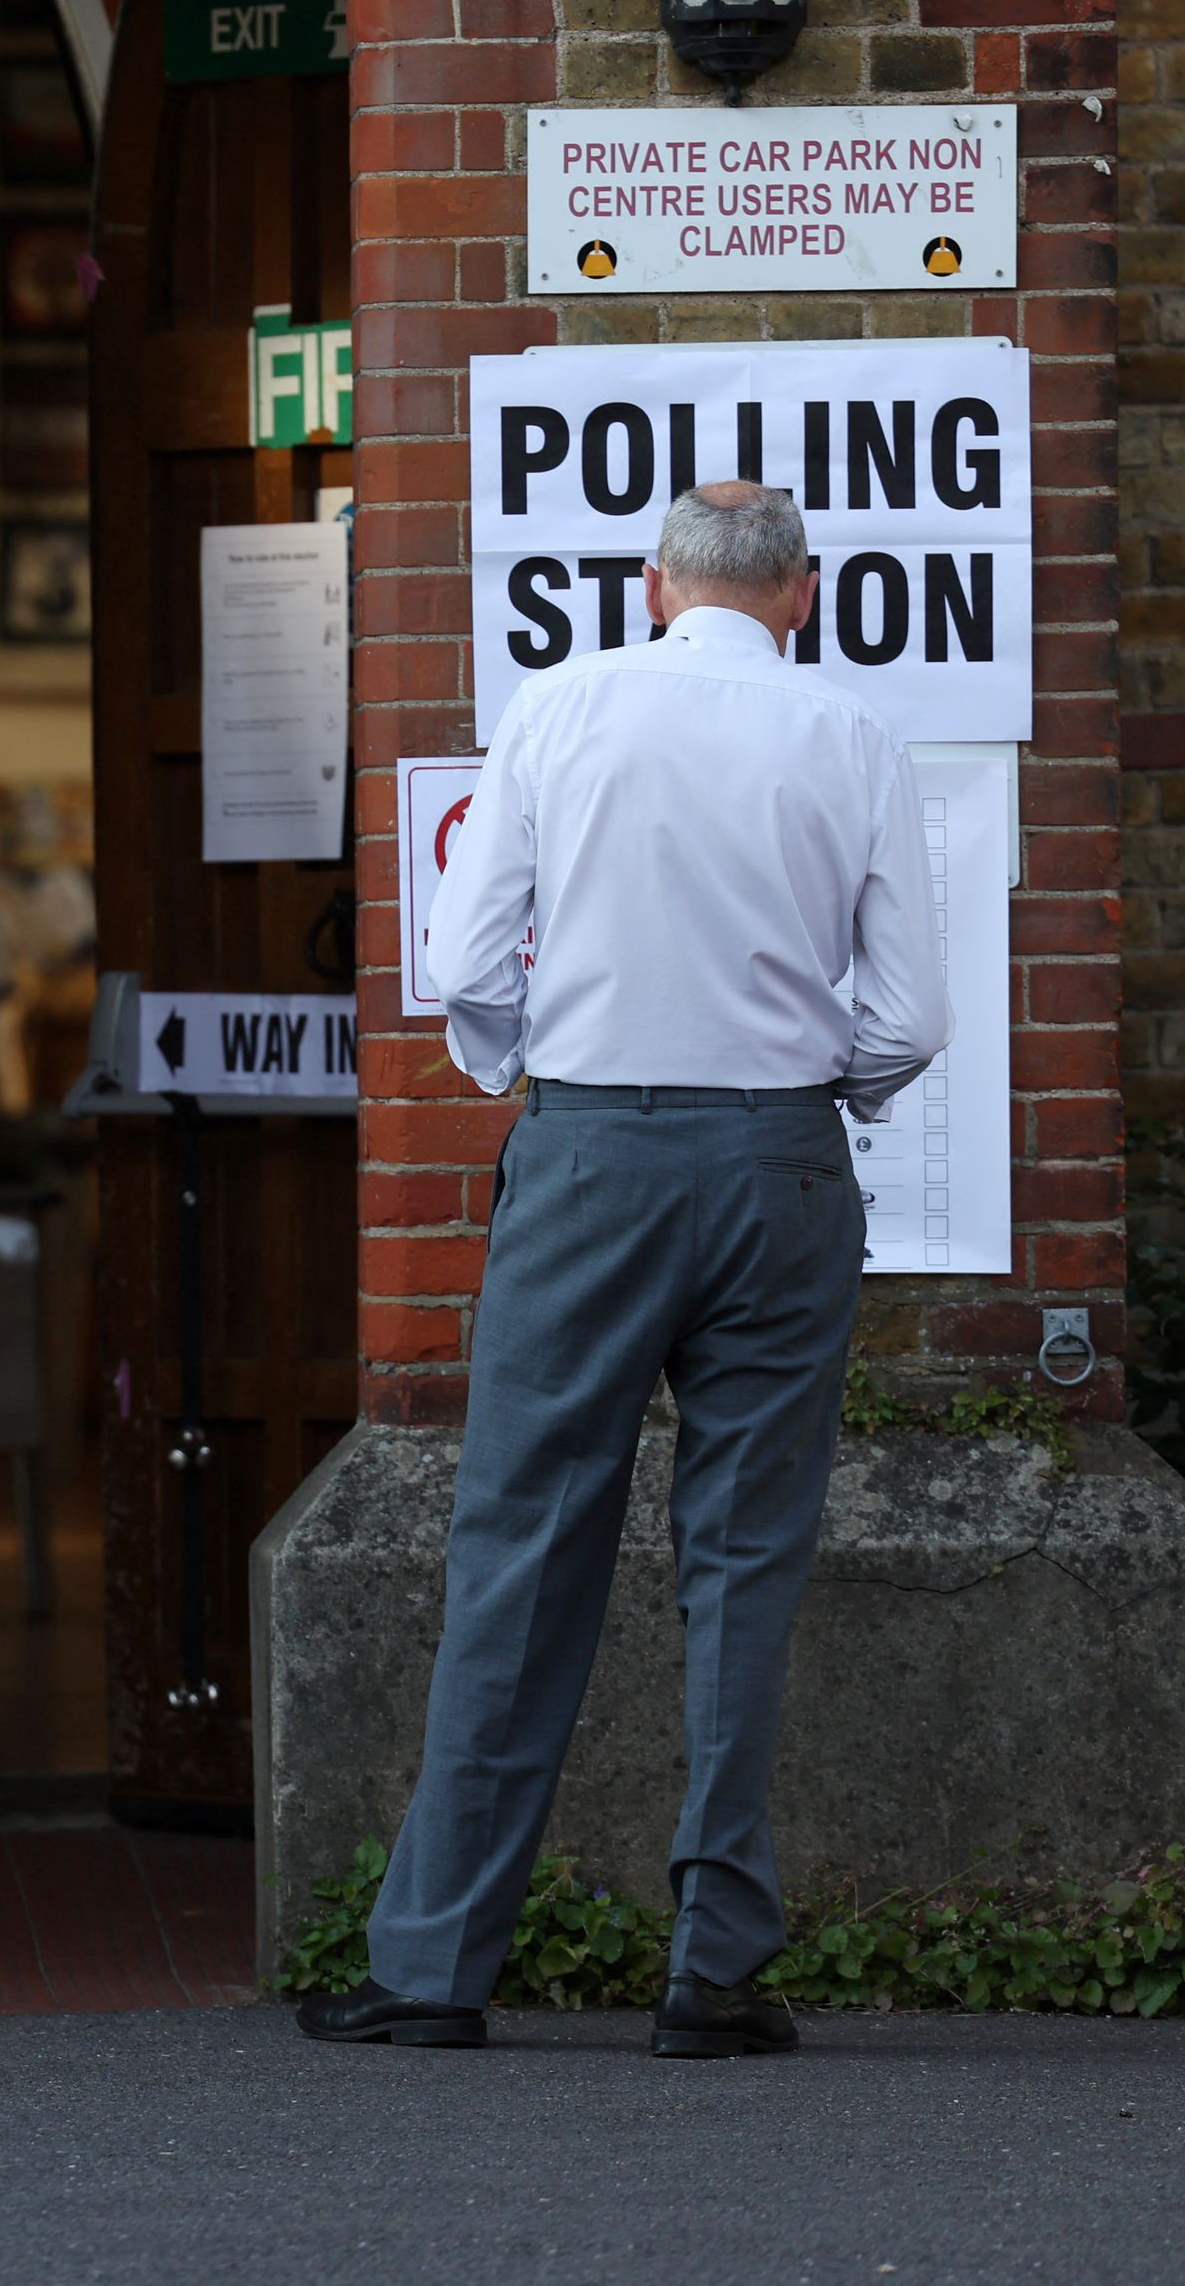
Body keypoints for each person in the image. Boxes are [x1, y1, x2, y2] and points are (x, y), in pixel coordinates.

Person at [299, 481, 949, 2060]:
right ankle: (712, 1965)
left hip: (593, 1154)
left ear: (657, 582)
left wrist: (561, 1069)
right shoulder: (854, 737)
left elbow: (462, 962)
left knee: (524, 1536)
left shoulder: (563, 705)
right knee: (743, 1559)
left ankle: (437, 1965)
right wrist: (811, 1086)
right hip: (781, 1166)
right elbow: (914, 1018)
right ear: (799, 593)